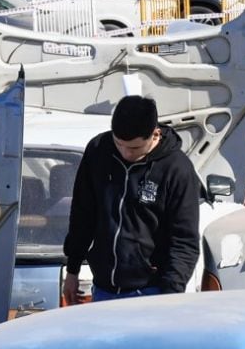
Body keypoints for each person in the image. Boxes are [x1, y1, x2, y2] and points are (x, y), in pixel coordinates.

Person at [62, 95, 202, 302]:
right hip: (103, 288)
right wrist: (72, 269)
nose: (126, 153)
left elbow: (184, 241)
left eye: (135, 148)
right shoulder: (99, 150)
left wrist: (170, 295)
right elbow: (83, 214)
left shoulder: (177, 169)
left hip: (151, 291)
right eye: (120, 144)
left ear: (155, 133)